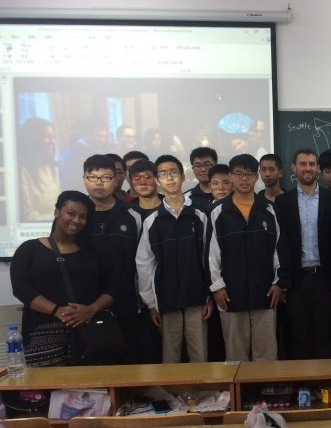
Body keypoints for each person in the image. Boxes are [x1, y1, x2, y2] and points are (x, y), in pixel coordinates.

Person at [10, 191, 114, 367]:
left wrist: (91, 309)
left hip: (89, 334)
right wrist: (57, 310)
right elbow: (21, 288)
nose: (76, 220)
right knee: (48, 392)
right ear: (57, 212)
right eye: (71, 213)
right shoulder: (29, 249)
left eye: (82, 217)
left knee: (92, 392)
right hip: (42, 335)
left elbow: (111, 289)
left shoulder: (93, 252)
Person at [209, 154, 290, 361]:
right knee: (236, 355)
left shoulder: (270, 210)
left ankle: (267, 393)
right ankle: (240, 394)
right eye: (239, 174)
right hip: (230, 295)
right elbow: (211, 253)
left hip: (265, 292)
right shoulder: (218, 212)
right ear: (231, 177)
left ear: (257, 177)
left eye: (249, 174)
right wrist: (217, 286)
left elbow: (280, 249)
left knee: (266, 354)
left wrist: (279, 283)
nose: (244, 179)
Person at [136, 154, 214, 363]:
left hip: (197, 296)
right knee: (170, 355)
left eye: (173, 173)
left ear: (182, 176)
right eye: (163, 174)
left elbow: (209, 258)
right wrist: (151, 302)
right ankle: (173, 396)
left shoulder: (199, 216)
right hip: (166, 298)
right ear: (157, 180)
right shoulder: (152, 221)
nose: (169, 178)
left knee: (200, 354)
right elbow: (144, 263)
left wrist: (209, 295)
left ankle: (203, 394)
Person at [275, 149, 331, 360]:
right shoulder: (282, 201)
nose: (308, 168)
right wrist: (283, 281)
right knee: (298, 335)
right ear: (294, 168)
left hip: (325, 277)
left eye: (312, 164)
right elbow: (281, 243)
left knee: (325, 335)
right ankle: (300, 388)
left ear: (318, 169)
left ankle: (323, 388)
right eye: (303, 164)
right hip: (296, 279)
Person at [81, 154, 144, 363]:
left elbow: (144, 260)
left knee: (129, 362)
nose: (99, 183)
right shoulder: (75, 215)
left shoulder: (133, 214)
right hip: (84, 303)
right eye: (93, 177)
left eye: (106, 177)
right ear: (84, 179)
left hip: (125, 301)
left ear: (116, 179)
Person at [17, 116, 60, 222]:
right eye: (47, 137)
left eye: (53, 137)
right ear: (34, 139)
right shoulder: (22, 172)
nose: (52, 142)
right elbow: (28, 216)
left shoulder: (51, 167)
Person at [58, 118, 110, 191]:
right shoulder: (73, 153)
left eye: (105, 137)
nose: (103, 140)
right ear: (87, 134)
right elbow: (72, 181)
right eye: (100, 136)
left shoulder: (93, 149)